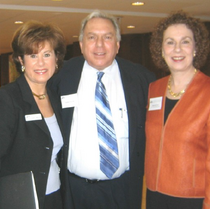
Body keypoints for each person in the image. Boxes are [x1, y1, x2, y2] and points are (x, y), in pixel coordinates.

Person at [49, 10, 155, 209]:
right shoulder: (61, 76)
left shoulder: (141, 79)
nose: (99, 44)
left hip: (123, 189)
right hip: (74, 191)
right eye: (91, 37)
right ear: (81, 45)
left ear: (117, 45)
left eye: (107, 37)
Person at [0, 20, 66, 209]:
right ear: (21, 60)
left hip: (54, 196)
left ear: (56, 59)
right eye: (32, 55)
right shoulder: (5, 99)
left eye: (47, 54)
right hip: (18, 199)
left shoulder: (55, 97)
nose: (41, 62)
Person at [145, 10, 210, 209]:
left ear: (195, 48)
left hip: (191, 199)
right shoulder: (155, 89)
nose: (177, 49)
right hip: (154, 194)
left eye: (185, 41)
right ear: (161, 50)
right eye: (170, 42)